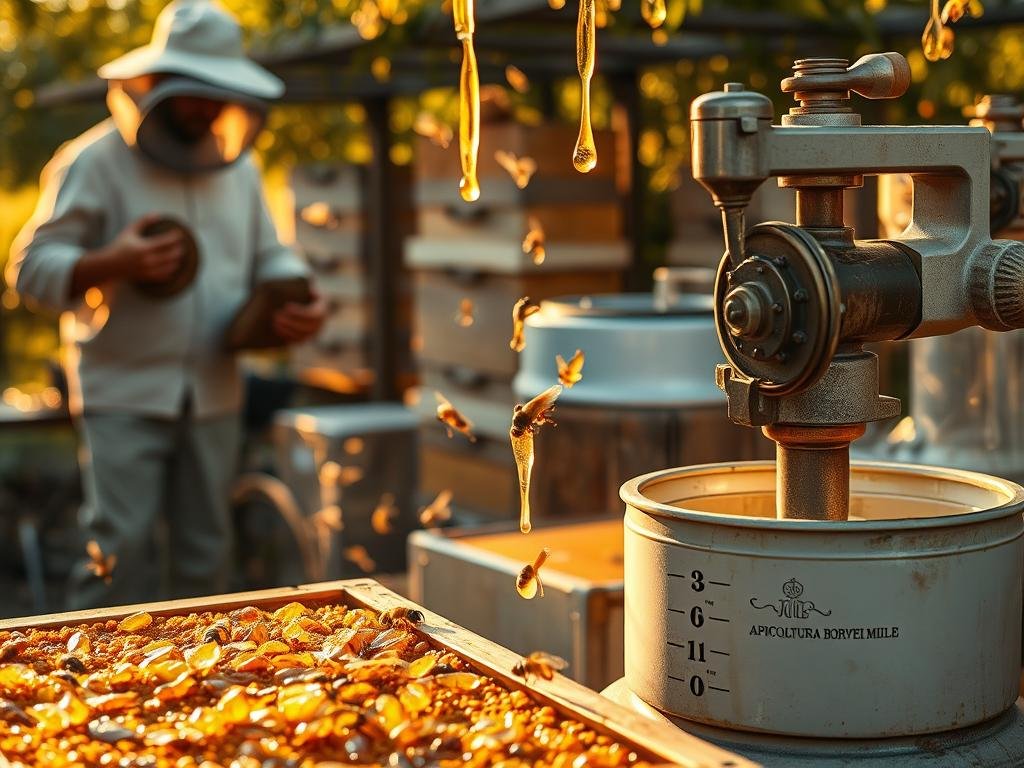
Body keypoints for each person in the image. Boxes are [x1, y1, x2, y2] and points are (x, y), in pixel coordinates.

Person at [8, 0, 327, 609]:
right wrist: (112, 263)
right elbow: (28, 271)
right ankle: (94, 690)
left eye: (218, 93)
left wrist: (302, 302)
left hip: (214, 392)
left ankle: (197, 693)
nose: (206, 107)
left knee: (207, 555)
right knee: (118, 553)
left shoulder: (240, 169)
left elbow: (271, 256)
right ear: (152, 85)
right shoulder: (93, 161)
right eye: (192, 91)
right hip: (122, 391)